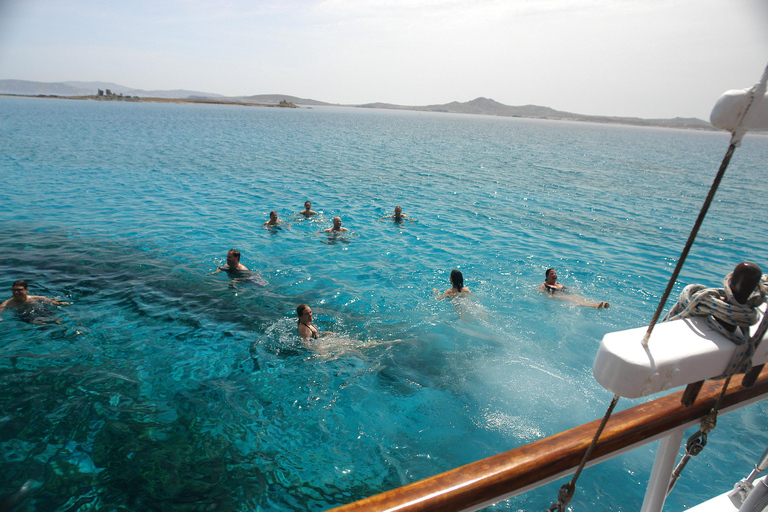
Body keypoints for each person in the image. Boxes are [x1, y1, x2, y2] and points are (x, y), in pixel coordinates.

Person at [0, 280, 70, 323]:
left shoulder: (35, 298)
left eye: (19, 290)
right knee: (42, 325)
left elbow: (51, 302)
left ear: (26, 289)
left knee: (57, 320)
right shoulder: (7, 303)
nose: (16, 292)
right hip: (26, 316)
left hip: (40, 311)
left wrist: (60, 303)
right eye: (14, 290)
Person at [540, 268, 609, 309]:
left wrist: (574, 290)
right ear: (547, 276)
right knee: (577, 301)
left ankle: (601, 305)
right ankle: (596, 306)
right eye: (552, 274)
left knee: (581, 298)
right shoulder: (545, 284)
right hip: (558, 296)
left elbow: (566, 288)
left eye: (555, 273)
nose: (554, 275)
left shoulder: (558, 284)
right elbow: (542, 291)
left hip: (567, 294)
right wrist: (548, 296)